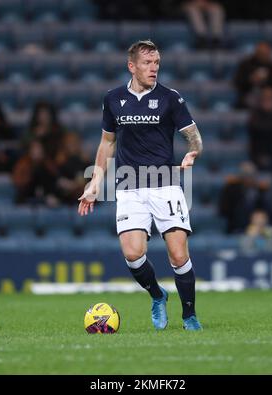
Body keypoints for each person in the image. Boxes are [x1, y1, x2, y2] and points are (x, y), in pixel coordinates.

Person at [78, 40, 203, 331]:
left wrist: (194, 150)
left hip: (165, 185)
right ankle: (158, 295)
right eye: (148, 63)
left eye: (157, 63)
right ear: (131, 66)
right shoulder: (113, 98)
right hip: (129, 186)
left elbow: (193, 136)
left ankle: (189, 316)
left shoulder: (170, 98)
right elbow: (107, 142)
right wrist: (95, 182)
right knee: (133, 254)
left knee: (179, 255)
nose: (154, 68)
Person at [234, 42, 272, 109]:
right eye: (261, 53)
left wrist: (269, 89)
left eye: (266, 54)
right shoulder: (245, 65)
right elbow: (237, 82)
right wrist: (251, 79)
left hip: (268, 96)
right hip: (249, 94)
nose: (263, 55)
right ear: (256, 52)